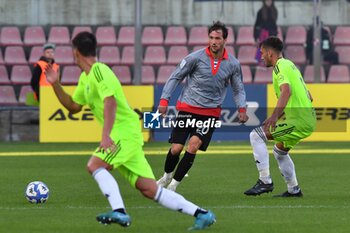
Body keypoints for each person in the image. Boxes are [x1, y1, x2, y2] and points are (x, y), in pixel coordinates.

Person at [44, 31, 215, 230]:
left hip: (123, 133)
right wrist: (55, 83)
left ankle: (119, 211)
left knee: (95, 165)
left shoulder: (99, 70)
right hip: (127, 135)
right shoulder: (86, 78)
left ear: (76, 52)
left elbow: (110, 101)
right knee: (150, 189)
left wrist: (106, 134)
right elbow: (74, 106)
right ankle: (202, 214)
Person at [156, 21, 249, 192]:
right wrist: (164, 100)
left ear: (225, 40)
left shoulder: (233, 64)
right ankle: (167, 176)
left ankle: (173, 187)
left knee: (193, 145)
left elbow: (238, 88)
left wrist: (242, 108)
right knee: (176, 149)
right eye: (211, 37)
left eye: (218, 38)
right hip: (187, 109)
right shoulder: (194, 58)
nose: (214, 41)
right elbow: (175, 77)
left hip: (210, 113)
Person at [244, 36, 316, 197]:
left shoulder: (280, 67)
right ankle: (294, 190)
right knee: (279, 151)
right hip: (305, 119)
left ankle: (265, 181)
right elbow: (309, 96)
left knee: (256, 136)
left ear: (270, 53)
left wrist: (275, 117)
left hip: (299, 120)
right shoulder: (290, 65)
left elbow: (286, 91)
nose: (261, 56)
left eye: (262, 53)